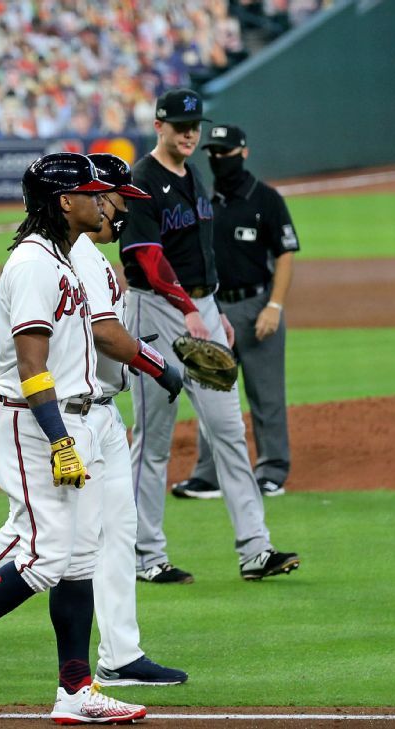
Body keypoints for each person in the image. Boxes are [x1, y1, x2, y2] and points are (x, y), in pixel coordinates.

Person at [0, 153, 188, 692]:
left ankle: (90, 677)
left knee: (83, 545)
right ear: (74, 200)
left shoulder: (68, 255)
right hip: (46, 416)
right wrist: (157, 366)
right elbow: (68, 349)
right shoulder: (47, 261)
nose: (115, 212)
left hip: (87, 411)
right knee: (41, 549)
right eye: (107, 199)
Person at [120, 88, 300, 584]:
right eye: (180, 125)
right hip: (154, 313)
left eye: (194, 125)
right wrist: (187, 308)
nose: (190, 133)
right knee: (153, 440)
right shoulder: (141, 181)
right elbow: (147, 259)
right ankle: (144, 554)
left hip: (200, 308)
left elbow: (201, 252)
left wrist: (212, 308)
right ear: (159, 126)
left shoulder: (192, 174)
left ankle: (255, 550)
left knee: (228, 431)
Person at [172, 124, 299, 500]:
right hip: (213, 306)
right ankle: (208, 476)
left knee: (267, 395)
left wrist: (274, 306)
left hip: (258, 305)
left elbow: (286, 254)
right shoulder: (202, 200)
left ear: (243, 153)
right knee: (211, 392)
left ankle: (272, 470)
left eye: (225, 153)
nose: (217, 159)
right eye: (212, 153)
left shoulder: (266, 199)